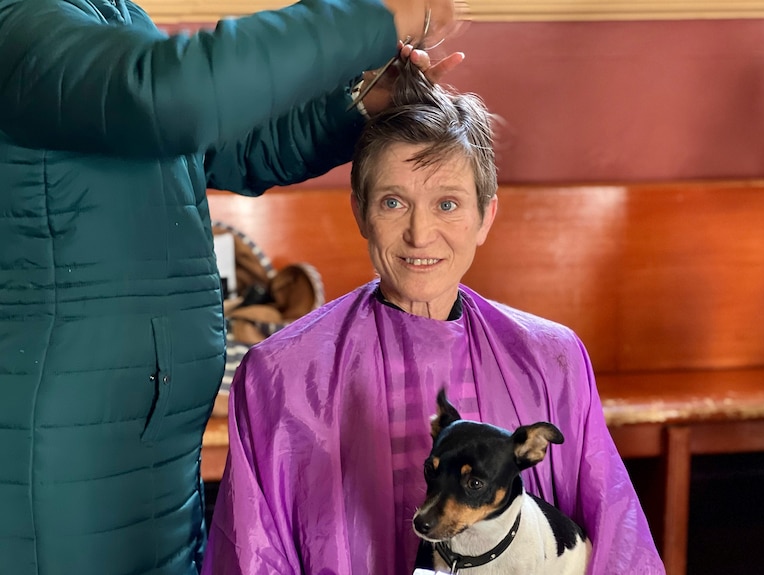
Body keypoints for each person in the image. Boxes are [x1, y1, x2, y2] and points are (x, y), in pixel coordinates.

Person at [0, 0, 463, 574]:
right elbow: (168, 95)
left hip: (149, 446)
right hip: (61, 456)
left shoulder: (115, 18)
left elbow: (229, 148)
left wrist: (362, 103)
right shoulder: (18, 23)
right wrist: (376, 15)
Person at [202, 63, 666, 574]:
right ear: (359, 212)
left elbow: (616, 543)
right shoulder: (279, 376)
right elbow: (252, 557)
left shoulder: (552, 359)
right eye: (393, 202)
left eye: (448, 204)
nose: (421, 235)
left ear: (486, 215)